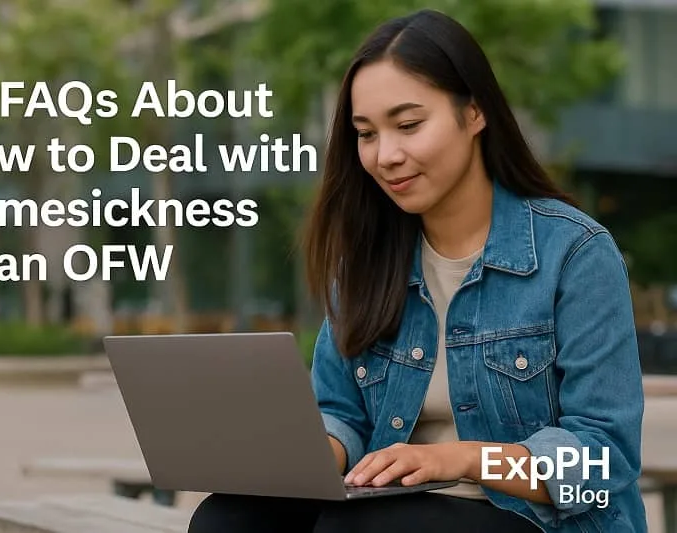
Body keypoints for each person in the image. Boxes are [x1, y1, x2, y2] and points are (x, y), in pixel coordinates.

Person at [188, 8, 646, 533]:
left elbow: (601, 459)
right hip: (394, 510)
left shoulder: (575, 252)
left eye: (408, 125)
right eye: (366, 134)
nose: (386, 155)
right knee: (227, 518)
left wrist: (462, 460)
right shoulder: (366, 259)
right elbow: (342, 413)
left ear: (474, 113)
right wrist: (309, 454)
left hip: (532, 519)